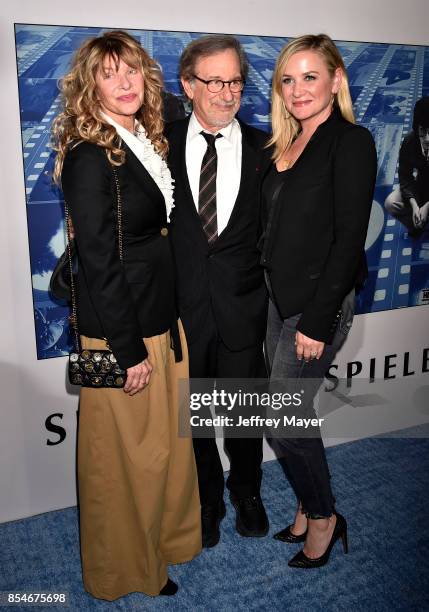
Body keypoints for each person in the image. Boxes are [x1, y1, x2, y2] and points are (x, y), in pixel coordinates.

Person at [51, 30, 201, 600]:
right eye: (109, 73)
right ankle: (128, 571)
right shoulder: (91, 153)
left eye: (132, 70)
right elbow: (98, 260)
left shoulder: (138, 138)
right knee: (124, 464)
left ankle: (161, 544)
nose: (125, 82)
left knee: (161, 451)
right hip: (122, 333)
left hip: (159, 320)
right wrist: (128, 349)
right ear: (90, 87)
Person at [260, 34, 377, 568]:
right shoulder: (281, 146)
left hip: (314, 307)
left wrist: (318, 318)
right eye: (288, 79)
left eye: (310, 76)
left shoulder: (350, 141)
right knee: (277, 417)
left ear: (336, 80)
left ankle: (326, 515)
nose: (298, 89)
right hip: (273, 302)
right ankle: (309, 502)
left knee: (286, 419)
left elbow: (349, 238)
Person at [166, 35, 269, 548]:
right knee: (198, 417)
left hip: (244, 309)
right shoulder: (156, 146)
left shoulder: (265, 149)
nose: (228, 93)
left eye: (236, 81)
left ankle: (247, 490)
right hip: (183, 312)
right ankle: (207, 500)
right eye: (215, 81)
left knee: (245, 413)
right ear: (188, 85)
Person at [385, 96, 429, 237]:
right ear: (416, 128)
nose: (427, 138)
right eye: (423, 130)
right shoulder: (410, 142)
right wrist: (415, 205)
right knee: (391, 203)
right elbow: (404, 176)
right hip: (422, 186)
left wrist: (428, 206)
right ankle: (417, 223)